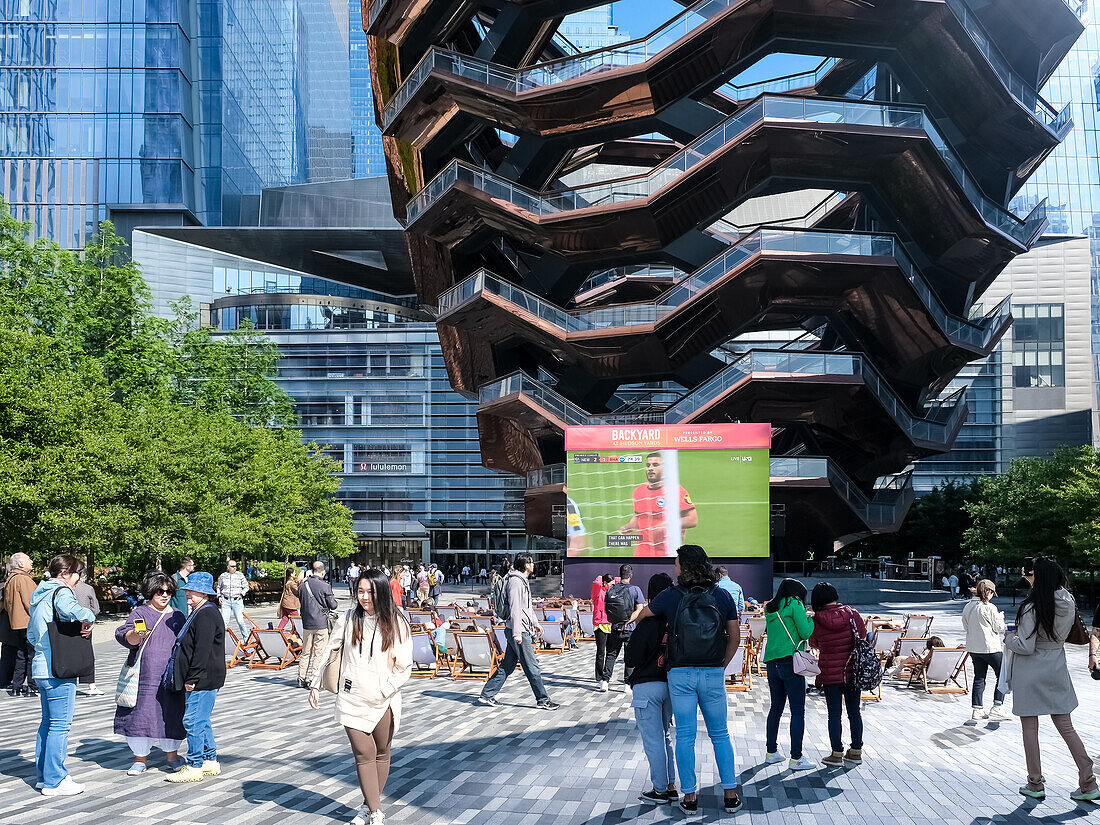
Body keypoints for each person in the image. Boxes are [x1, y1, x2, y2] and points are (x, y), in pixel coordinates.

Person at [628, 544, 740, 814]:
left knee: (686, 736)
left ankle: (689, 798)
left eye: (677, 562)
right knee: (721, 735)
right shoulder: (722, 596)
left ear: (685, 566)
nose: (674, 567)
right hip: (712, 671)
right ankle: (730, 794)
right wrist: (720, 665)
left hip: (680, 673)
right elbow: (734, 637)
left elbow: (643, 615)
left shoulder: (670, 595)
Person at [309, 569, 413, 825]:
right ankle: (376, 813)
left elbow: (405, 665)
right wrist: (314, 683)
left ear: (382, 592)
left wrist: (384, 689)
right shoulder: (349, 618)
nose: (365, 597)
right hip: (352, 696)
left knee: (382, 753)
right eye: (360, 591)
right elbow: (329, 650)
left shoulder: (396, 621)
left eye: (371, 592)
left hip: (383, 699)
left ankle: (369, 805)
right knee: (363, 754)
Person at [1006, 557, 1098, 802]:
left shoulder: (1032, 605)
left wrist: (1007, 638)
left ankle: (1035, 783)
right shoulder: (1068, 600)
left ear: (1039, 577)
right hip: (1056, 665)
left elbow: (1024, 646)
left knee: (1030, 728)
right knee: (1066, 726)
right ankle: (1089, 781)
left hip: (1030, 670)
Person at [27, 554, 97, 795]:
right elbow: (72, 610)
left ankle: (43, 775)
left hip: (41, 667)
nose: (78, 579)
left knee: (47, 723)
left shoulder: (39, 594)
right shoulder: (62, 591)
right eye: (77, 573)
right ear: (66, 573)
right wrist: (89, 618)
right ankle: (56, 780)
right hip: (60, 668)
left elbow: (32, 636)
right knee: (60, 725)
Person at [114, 571, 187, 775]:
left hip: (171, 675)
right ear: (150, 592)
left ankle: (172, 755)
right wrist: (135, 634)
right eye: (159, 591)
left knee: (171, 713)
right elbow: (126, 636)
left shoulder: (178, 615)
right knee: (141, 715)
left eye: (168, 591)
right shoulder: (139, 613)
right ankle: (140, 758)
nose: (164, 595)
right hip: (144, 676)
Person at [164, 571, 226, 784]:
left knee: (192, 721)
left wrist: (193, 678)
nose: (188, 594)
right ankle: (210, 760)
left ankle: (195, 765)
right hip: (205, 676)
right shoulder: (201, 610)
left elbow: (202, 650)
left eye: (192, 591)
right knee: (202, 720)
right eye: (188, 590)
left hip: (203, 677)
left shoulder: (207, 614)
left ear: (204, 593)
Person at [477, 553, 559, 710]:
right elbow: (515, 608)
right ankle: (543, 700)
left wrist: (535, 623)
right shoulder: (516, 582)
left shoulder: (521, 580)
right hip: (519, 631)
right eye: (532, 562)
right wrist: (516, 633)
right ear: (526, 565)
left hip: (519, 628)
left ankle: (487, 695)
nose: (534, 564)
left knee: (507, 665)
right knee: (532, 666)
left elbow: (526, 607)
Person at [624, 571, 678, 804]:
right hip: (672, 686)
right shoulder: (676, 621)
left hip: (647, 686)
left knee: (653, 740)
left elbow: (631, 659)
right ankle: (670, 784)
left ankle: (659, 790)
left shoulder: (647, 621)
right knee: (666, 737)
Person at [808, 583, 865, 767]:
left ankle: (836, 753)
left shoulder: (817, 619)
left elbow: (814, 643)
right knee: (854, 712)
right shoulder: (852, 614)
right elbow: (862, 635)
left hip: (831, 673)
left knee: (834, 715)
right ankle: (856, 751)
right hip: (853, 672)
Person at [763, 578, 816, 771]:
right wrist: (810, 618)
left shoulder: (770, 608)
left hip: (771, 662)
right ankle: (796, 758)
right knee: (797, 711)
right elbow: (805, 633)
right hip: (791, 661)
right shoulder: (795, 603)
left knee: (775, 708)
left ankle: (771, 752)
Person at [616, 453, 698, 556]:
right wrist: (627, 527)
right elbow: (639, 517)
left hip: (668, 552)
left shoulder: (675, 491)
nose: (650, 468)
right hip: (642, 553)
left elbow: (693, 520)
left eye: (655, 465)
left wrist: (666, 525)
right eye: (648, 465)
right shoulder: (639, 491)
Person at [961, 578, 1009, 721]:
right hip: (990, 647)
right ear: (988, 592)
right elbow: (999, 628)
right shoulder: (989, 607)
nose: (993, 595)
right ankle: (997, 706)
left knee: (979, 677)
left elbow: (965, 626)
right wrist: (1000, 618)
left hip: (974, 648)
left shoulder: (968, 606)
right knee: (1003, 675)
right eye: (992, 593)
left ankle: (977, 710)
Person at [600, 564, 646, 687]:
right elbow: (639, 610)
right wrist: (627, 621)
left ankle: (605, 681)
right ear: (630, 575)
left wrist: (617, 622)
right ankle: (627, 683)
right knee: (629, 655)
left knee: (611, 655)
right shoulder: (635, 589)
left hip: (614, 628)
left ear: (620, 575)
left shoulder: (610, 589)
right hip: (630, 629)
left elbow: (606, 608)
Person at [298, 561, 339, 689]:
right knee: (319, 652)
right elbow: (333, 605)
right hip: (321, 623)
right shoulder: (324, 586)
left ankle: (301, 678)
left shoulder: (303, 586)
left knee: (305, 652)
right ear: (323, 571)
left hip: (307, 623)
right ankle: (312, 679)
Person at [4, 552, 37, 697]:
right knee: (32, 655)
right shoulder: (23, 579)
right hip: (28, 622)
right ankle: (32, 686)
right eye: (29, 559)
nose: (32, 561)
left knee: (21, 655)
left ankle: (17, 686)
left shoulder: (10, 578)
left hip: (16, 623)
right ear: (21, 564)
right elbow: (31, 603)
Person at [72, 570, 102, 696]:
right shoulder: (88, 588)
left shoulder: (65, 588)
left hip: (67, 622)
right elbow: (96, 609)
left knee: (69, 654)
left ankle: (70, 683)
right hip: (85, 622)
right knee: (87, 654)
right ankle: (91, 685)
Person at [216, 560, 250, 640]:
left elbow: (246, 587)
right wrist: (219, 596)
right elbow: (218, 587)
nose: (234, 568)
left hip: (237, 601)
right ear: (228, 567)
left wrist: (241, 594)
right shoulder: (223, 576)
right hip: (226, 601)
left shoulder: (240, 575)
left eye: (235, 566)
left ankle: (246, 639)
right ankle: (222, 641)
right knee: (224, 622)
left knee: (240, 621)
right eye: (232, 566)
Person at [591, 574, 612, 690]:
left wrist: (611, 582)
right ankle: (599, 676)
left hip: (610, 623)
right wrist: (602, 579)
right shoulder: (597, 591)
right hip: (600, 624)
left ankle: (606, 674)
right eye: (609, 583)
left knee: (610, 652)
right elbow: (596, 582)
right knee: (601, 651)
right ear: (604, 583)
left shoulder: (612, 592)